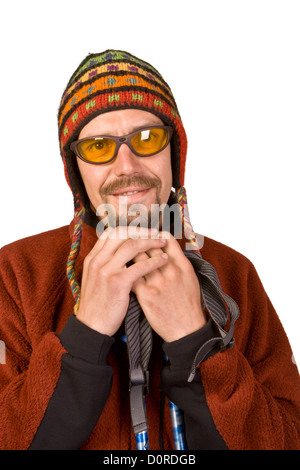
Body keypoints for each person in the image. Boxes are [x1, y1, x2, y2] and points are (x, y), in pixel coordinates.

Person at [0, 50, 299, 451]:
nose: (127, 165)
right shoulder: (16, 274)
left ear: (174, 152)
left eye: (146, 138)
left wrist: (194, 339)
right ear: (75, 169)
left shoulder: (234, 273)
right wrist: (85, 335)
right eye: (99, 145)